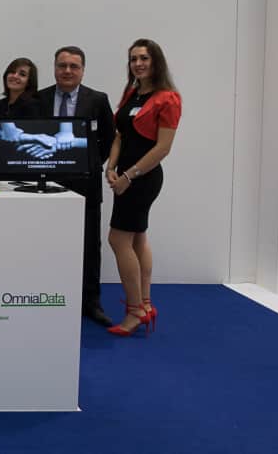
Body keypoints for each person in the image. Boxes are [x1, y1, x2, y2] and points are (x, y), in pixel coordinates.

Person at [105, 39, 181, 336]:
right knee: (137, 238)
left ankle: (135, 311)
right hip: (124, 176)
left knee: (117, 239)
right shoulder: (132, 93)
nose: (138, 64)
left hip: (143, 178)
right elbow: (120, 136)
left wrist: (129, 176)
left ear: (156, 61)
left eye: (144, 58)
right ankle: (145, 304)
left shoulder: (168, 98)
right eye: (133, 59)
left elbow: (163, 148)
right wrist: (111, 167)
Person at [37, 46, 115, 326]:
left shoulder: (98, 100)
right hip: (45, 182)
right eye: (62, 65)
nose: (67, 71)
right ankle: (44, 296)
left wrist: (88, 163)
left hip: (86, 184)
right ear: (54, 68)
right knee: (44, 242)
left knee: (89, 245)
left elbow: (109, 139)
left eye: (74, 66)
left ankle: (90, 303)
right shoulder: (39, 98)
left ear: (83, 70)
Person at [0, 58, 42, 179]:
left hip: (22, 168)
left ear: (29, 82)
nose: (15, 76)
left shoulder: (33, 106)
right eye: (12, 72)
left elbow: (29, 142)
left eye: (22, 74)